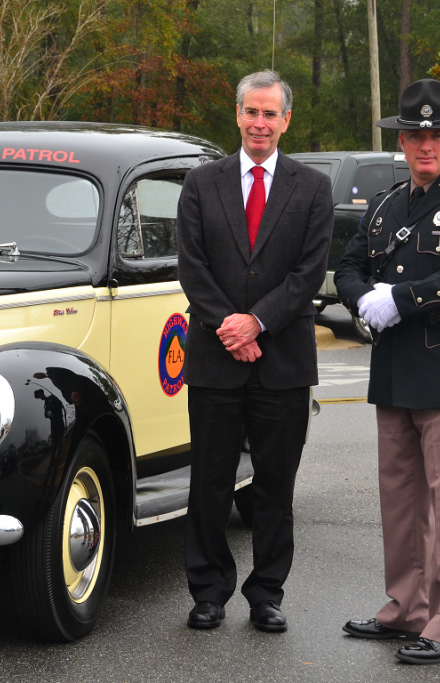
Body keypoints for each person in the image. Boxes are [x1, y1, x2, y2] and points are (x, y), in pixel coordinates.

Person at [333, 79, 440, 664]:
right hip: (395, 371)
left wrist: (400, 299)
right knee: (400, 499)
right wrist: (363, 300)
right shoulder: (385, 205)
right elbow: (350, 265)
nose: (425, 145)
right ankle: (405, 608)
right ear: (400, 141)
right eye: (414, 135)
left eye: (436, 134)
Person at [176, 70, 333, 631]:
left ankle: (266, 592)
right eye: (251, 112)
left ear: (286, 120)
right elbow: (192, 269)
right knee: (210, 482)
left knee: (274, 485)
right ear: (237, 114)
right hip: (216, 360)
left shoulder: (312, 188)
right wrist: (231, 328)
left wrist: (258, 324)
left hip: (283, 362)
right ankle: (209, 590)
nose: (260, 123)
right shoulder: (201, 184)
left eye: (271, 114)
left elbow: (308, 273)